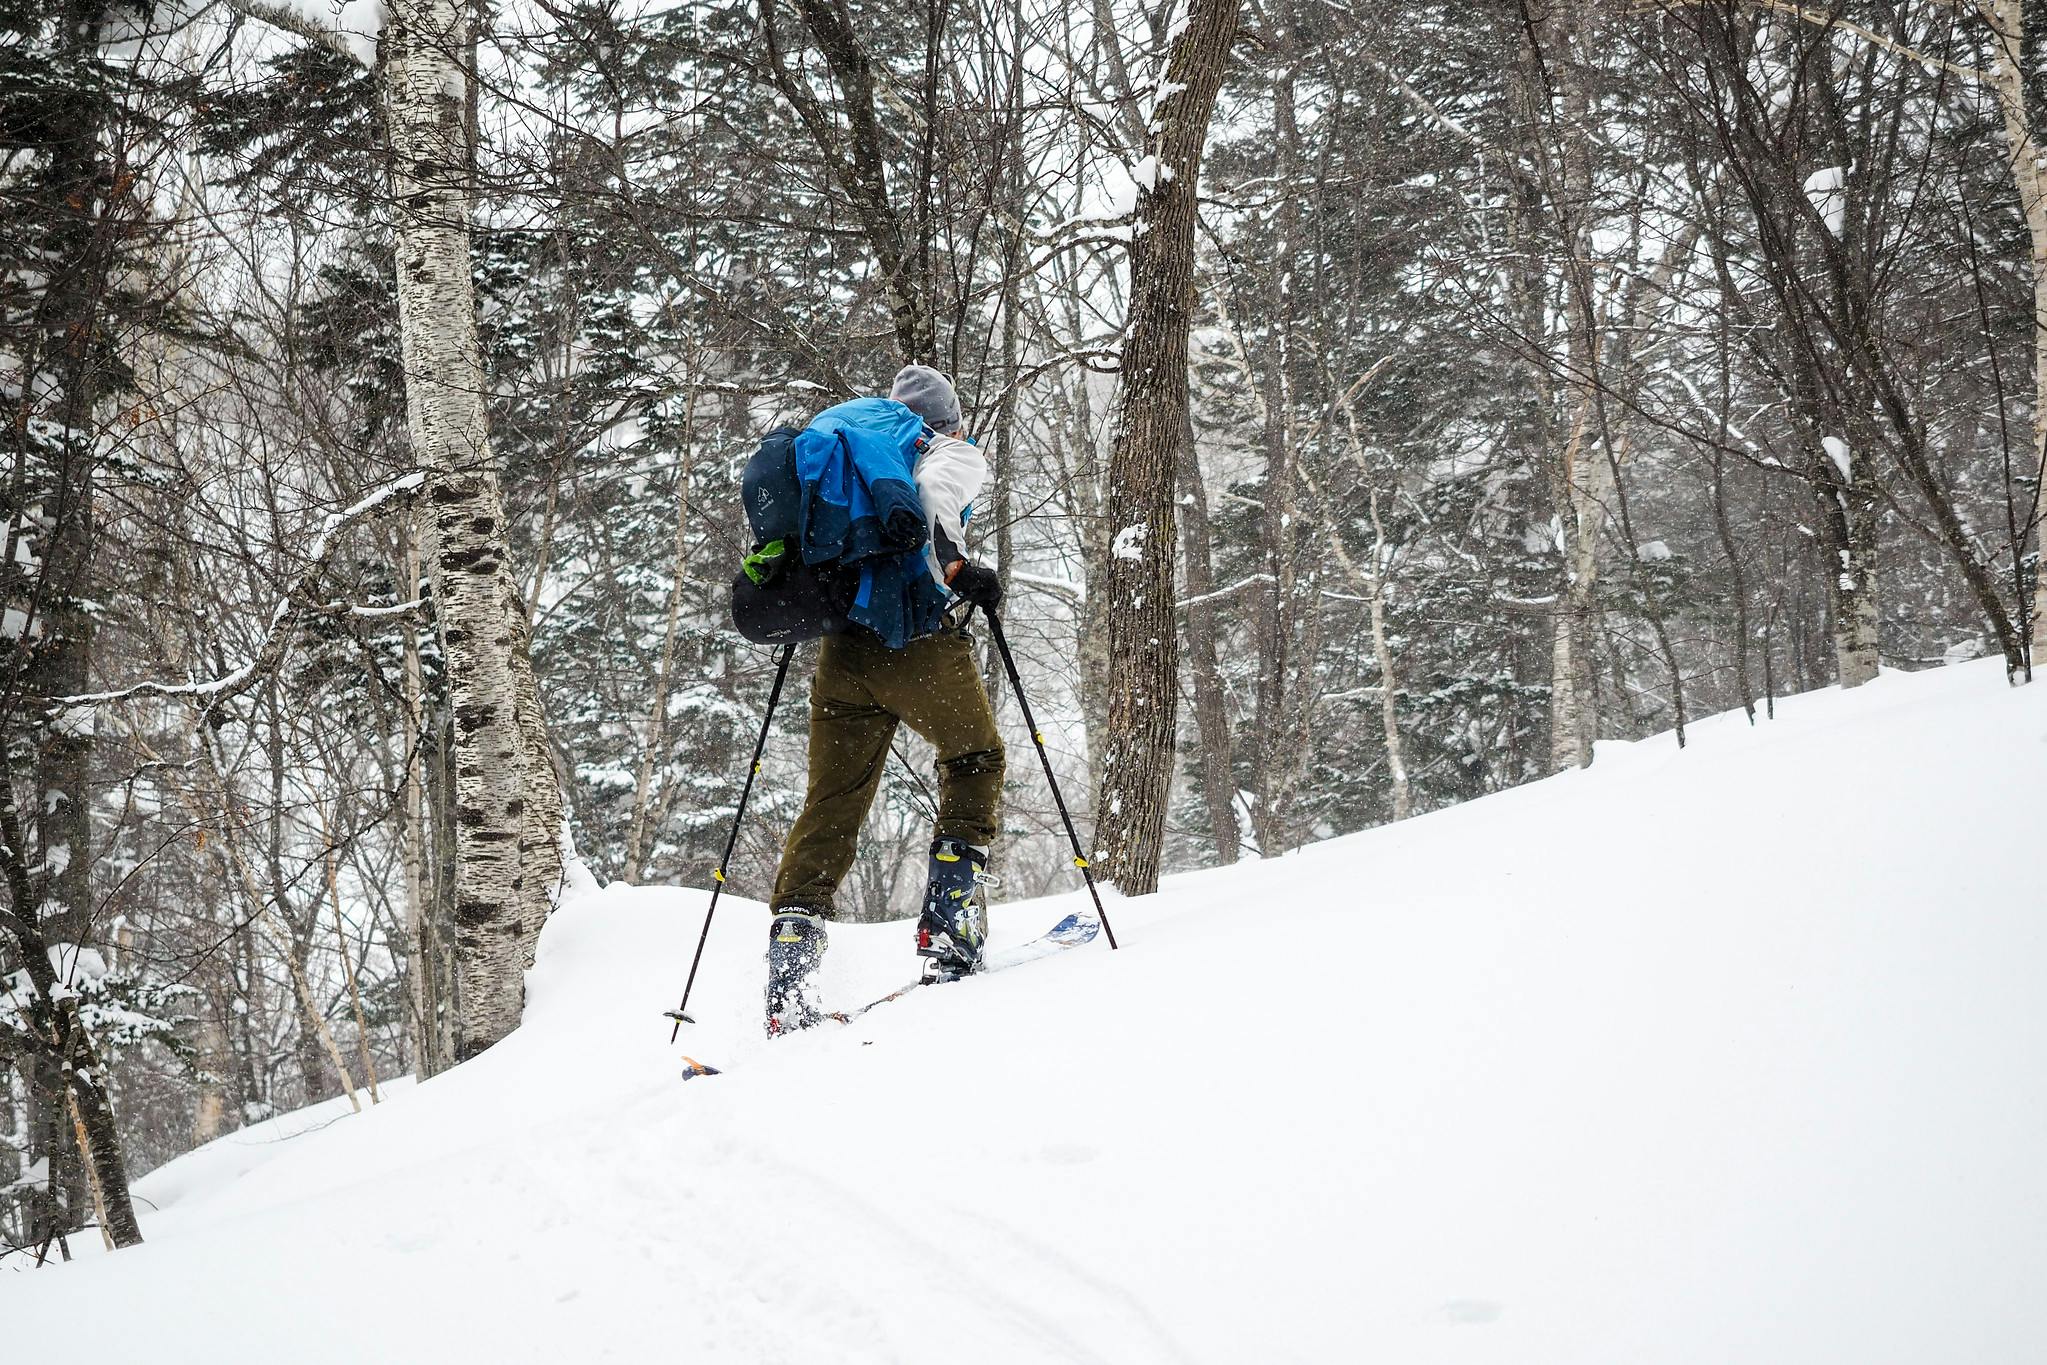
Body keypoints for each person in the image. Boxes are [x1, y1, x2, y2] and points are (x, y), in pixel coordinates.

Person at [763, 364, 1007, 1033]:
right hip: (916, 641)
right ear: (949, 420)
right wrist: (958, 567)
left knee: (833, 801)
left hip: (842, 651)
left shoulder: (856, 452)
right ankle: (949, 930)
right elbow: (934, 498)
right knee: (976, 756)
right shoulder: (946, 451)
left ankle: (789, 967)